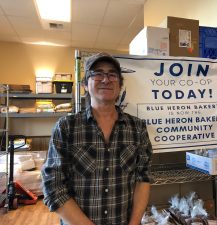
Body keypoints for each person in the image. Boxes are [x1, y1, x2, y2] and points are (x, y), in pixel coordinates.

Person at [41, 53, 153, 225]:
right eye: (98, 73)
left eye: (112, 74)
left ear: (120, 85)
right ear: (85, 84)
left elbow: (142, 179)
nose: (106, 79)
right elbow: (53, 187)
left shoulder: (137, 128)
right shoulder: (66, 127)